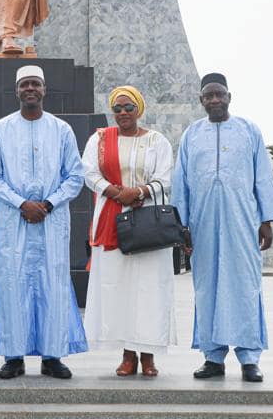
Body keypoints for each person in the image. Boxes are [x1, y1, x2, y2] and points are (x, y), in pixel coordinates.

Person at [171, 73, 273, 383]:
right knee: (207, 288)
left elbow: (262, 176)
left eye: (219, 94)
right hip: (203, 224)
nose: (215, 100)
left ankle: (250, 359)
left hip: (243, 222)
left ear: (229, 97)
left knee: (245, 286)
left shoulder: (248, 131)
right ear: (201, 100)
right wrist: (182, 227)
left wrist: (266, 220)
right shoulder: (192, 135)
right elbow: (181, 184)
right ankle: (213, 357)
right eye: (209, 96)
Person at [0, 65, 87, 379]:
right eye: (25, 84)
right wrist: (22, 204)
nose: (30, 89)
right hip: (14, 222)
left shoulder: (61, 130)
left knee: (51, 285)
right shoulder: (0, 129)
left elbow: (75, 175)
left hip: (52, 224)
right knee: (14, 285)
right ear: (17, 91)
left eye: (35, 84)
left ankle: (52, 357)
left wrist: (49, 203)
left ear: (44, 90)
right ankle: (13, 357)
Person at [82, 85, 176, 377]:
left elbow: (166, 177)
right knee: (119, 289)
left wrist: (139, 192)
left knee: (148, 289)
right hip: (112, 219)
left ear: (139, 109)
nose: (123, 113)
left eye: (129, 108)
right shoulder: (100, 139)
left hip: (147, 220)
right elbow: (88, 172)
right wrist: (114, 192)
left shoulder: (157, 141)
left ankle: (148, 356)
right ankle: (127, 356)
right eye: (118, 109)